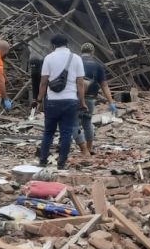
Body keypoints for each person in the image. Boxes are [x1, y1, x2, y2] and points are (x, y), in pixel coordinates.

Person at [34, 35, 85, 170]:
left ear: (53, 45)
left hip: (52, 101)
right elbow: (80, 83)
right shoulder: (76, 58)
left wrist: (39, 100)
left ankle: (43, 161)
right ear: (67, 44)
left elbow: (44, 82)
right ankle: (61, 164)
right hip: (70, 100)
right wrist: (82, 101)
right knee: (66, 133)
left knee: (48, 132)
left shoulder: (48, 58)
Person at [77, 42, 117, 156]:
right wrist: (111, 102)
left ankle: (81, 148)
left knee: (73, 123)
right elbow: (104, 85)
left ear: (81, 51)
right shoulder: (98, 65)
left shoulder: (75, 62)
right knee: (87, 122)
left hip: (75, 97)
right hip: (90, 98)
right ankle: (88, 148)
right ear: (92, 52)